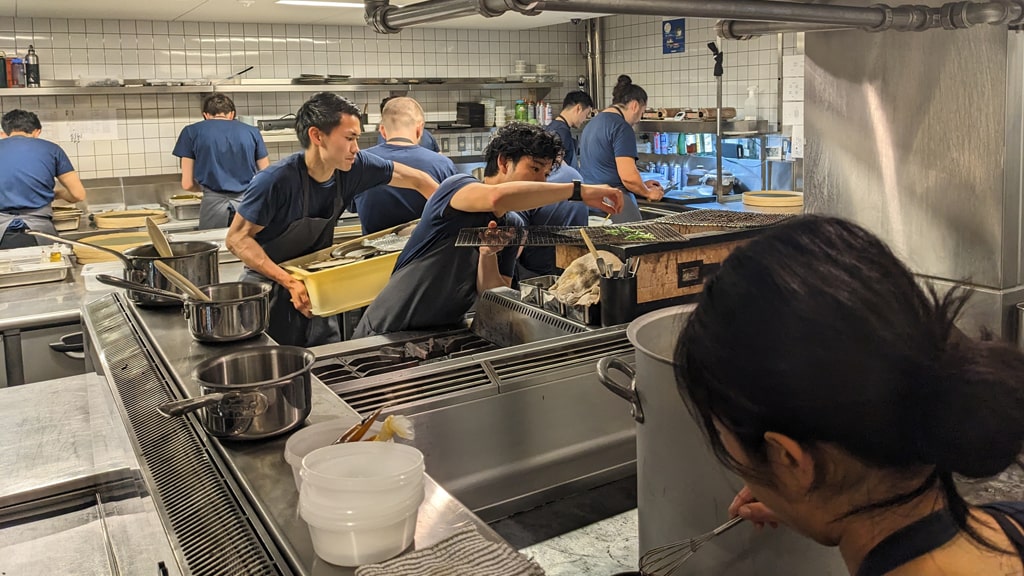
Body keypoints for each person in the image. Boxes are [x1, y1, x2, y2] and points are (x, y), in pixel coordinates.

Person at [675, 215, 1024, 576]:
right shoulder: (1012, 525)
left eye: (726, 440)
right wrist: (808, 497)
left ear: (788, 460)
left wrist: (807, 499)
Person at [352, 123, 623, 338]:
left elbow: (494, 292)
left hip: (440, 335)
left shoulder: (513, 224)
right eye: (535, 169)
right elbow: (496, 198)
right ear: (504, 162)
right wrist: (578, 191)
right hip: (386, 331)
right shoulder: (456, 187)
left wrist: (488, 255)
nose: (541, 181)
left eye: (546, 174)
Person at [226, 92, 440, 347]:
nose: (355, 148)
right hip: (267, 291)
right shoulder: (276, 181)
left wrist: (444, 219)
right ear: (317, 136)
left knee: (327, 364)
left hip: (316, 287)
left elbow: (420, 180)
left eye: (357, 139)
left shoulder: (354, 167)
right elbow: (237, 239)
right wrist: (288, 281)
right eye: (349, 138)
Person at [354, 97, 457, 234]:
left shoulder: (359, 163)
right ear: (419, 129)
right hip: (427, 253)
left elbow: (354, 206)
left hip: (374, 254)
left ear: (383, 131)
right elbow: (456, 212)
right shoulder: (443, 165)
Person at [172, 93, 269, 230]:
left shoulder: (191, 132)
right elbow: (266, 177)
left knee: (217, 248)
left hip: (212, 208)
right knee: (246, 246)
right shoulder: (252, 132)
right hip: (246, 208)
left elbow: (187, 184)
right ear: (231, 114)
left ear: (205, 115)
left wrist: (207, 191)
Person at [579, 75, 663, 223]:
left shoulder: (592, 123)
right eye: (642, 113)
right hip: (615, 202)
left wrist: (642, 183)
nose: (638, 119)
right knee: (635, 244)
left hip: (590, 200)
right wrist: (648, 193)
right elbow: (628, 177)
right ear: (635, 105)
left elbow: (604, 167)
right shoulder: (622, 127)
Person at [0, 109, 87, 249]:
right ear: (37, 131)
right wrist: (57, 194)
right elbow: (78, 194)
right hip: (38, 232)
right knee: (45, 269)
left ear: (5, 132)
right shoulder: (52, 149)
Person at [516, 162, 587, 279]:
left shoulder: (529, 183)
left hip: (537, 276)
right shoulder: (576, 176)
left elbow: (515, 250)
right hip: (575, 273)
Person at [545, 90, 593, 169]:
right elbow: (558, 169)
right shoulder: (562, 132)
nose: (585, 119)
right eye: (586, 114)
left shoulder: (553, 126)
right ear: (578, 108)